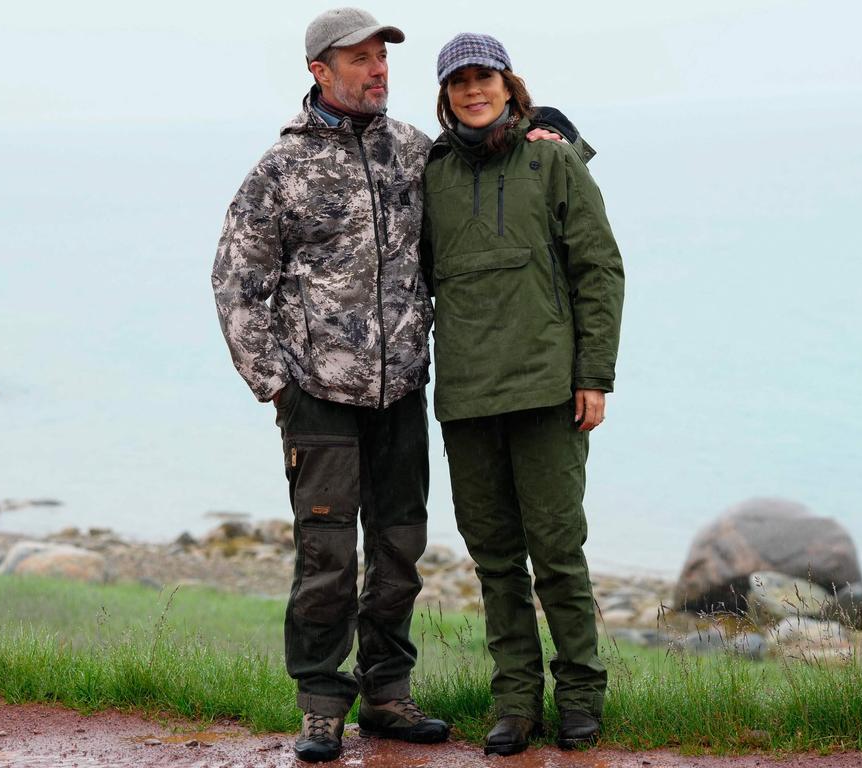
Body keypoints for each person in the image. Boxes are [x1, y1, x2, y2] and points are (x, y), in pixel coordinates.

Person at [211, 8, 448, 763]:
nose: (379, 70)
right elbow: (237, 282)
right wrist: (274, 384)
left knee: (400, 549)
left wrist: (548, 128)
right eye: (361, 60)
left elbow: (487, 171)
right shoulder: (279, 170)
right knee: (326, 559)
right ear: (320, 70)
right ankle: (320, 705)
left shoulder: (413, 151)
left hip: (402, 390)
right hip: (317, 395)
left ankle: (387, 694)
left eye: (383, 58)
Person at [421, 33, 625, 757]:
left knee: (559, 555)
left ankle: (579, 699)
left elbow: (598, 270)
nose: (473, 90)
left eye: (485, 78)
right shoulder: (432, 172)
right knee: (496, 561)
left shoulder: (552, 159)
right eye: (459, 82)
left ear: (509, 85)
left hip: (548, 393)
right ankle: (514, 702)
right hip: (468, 398)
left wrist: (594, 376)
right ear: (445, 95)